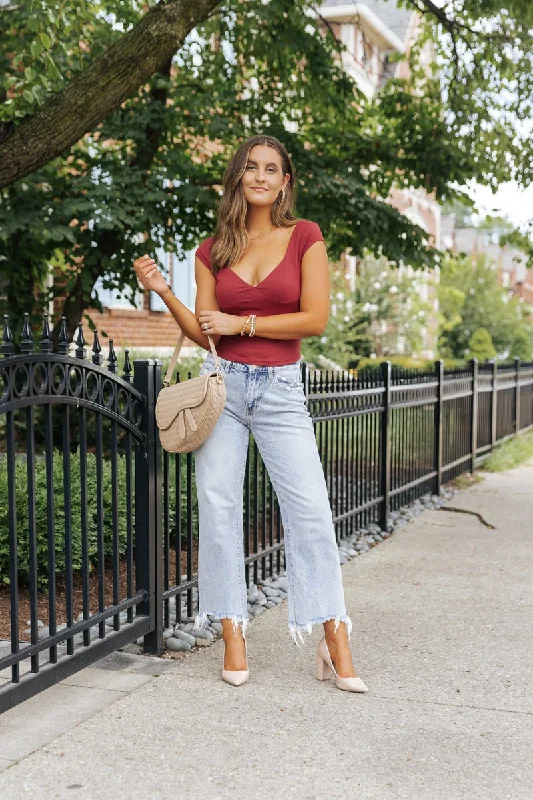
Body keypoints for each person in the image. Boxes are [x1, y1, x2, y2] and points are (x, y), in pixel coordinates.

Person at [133, 134, 368, 693]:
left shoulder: (305, 237)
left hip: (282, 389)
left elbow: (314, 320)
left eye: (272, 169)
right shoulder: (213, 248)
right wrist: (167, 293)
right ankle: (232, 629)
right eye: (251, 168)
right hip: (224, 389)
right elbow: (205, 330)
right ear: (239, 176)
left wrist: (246, 325)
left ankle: (333, 636)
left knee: (310, 510)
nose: (260, 176)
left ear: (285, 181)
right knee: (219, 505)